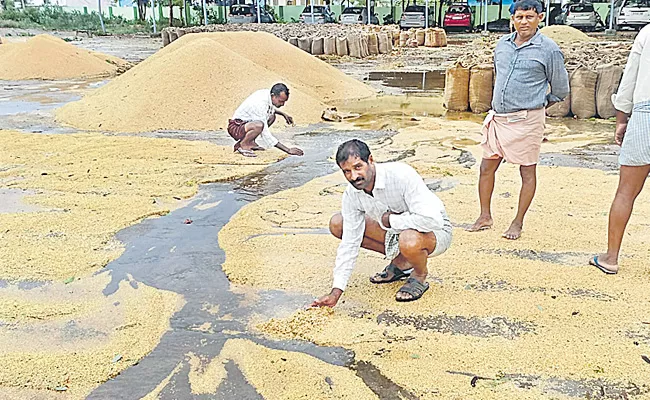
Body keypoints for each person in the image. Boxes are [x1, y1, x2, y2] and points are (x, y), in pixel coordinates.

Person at [467, 0, 569, 240]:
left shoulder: (549, 49)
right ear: (512, 18)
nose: (524, 21)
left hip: (527, 121)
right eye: (519, 17)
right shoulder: (502, 45)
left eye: (529, 17)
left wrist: (539, 105)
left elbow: (561, 89)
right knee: (486, 167)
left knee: (527, 173)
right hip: (498, 118)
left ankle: (517, 222)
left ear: (540, 18)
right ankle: (485, 216)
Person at [310, 140, 453, 307]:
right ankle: (402, 262)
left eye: (358, 167)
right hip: (395, 231)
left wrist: (391, 220)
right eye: (347, 171)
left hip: (435, 230)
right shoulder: (352, 194)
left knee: (408, 239)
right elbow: (350, 243)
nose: (354, 177)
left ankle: (419, 275)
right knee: (338, 223)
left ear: (370, 160)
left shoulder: (401, 174)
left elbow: (432, 220)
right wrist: (336, 292)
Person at [591, 24, 650, 274]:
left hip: (646, 113)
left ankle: (611, 258)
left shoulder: (647, 32)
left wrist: (621, 120)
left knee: (626, 191)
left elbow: (629, 80)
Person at [228, 83, 304, 158]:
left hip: (246, 124)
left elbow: (269, 109)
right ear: (273, 95)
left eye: (284, 101)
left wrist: (283, 114)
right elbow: (265, 133)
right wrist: (288, 150)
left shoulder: (267, 95)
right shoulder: (260, 103)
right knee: (259, 125)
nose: (283, 104)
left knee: (272, 117)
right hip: (236, 127)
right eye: (281, 101)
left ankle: (250, 142)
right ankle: (243, 145)